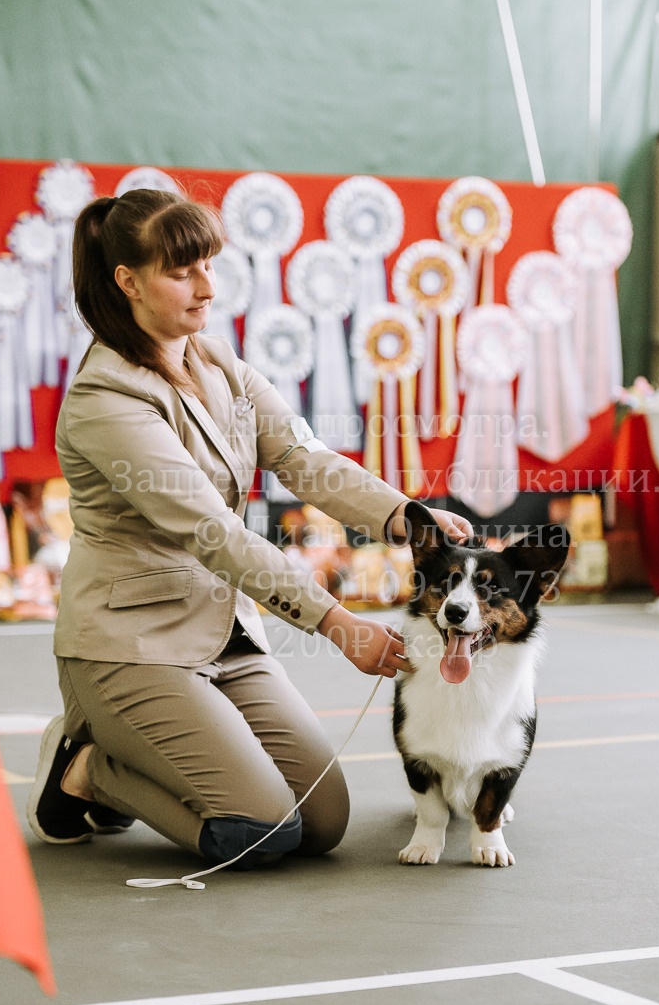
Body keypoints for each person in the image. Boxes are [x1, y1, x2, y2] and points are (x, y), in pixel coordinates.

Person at [27, 188, 472, 870]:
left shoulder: (217, 363)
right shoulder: (104, 400)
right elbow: (213, 532)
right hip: (131, 647)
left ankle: (126, 762)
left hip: (224, 635)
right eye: (182, 272)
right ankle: (86, 768)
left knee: (322, 822)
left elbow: (302, 460)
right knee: (260, 829)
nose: (207, 287)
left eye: (209, 263)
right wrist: (335, 622)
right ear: (128, 282)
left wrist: (406, 516)